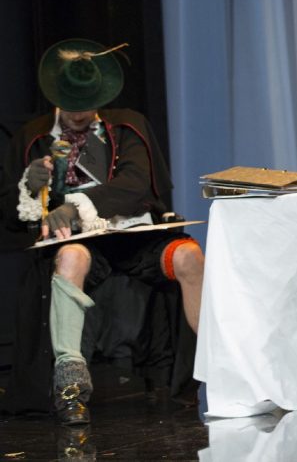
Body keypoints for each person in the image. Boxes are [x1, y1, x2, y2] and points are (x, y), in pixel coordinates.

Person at [0, 39, 204, 426]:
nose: (79, 114)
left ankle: (227, 369)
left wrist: (75, 204)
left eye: (87, 104)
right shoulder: (33, 136)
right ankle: (71, 387)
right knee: (71, 257)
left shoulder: (127, 125)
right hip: (77, 243)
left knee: (188, 255)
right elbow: (12, 212)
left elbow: (136, 183)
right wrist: (31, 184)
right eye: (71, 105)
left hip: (134, 235)